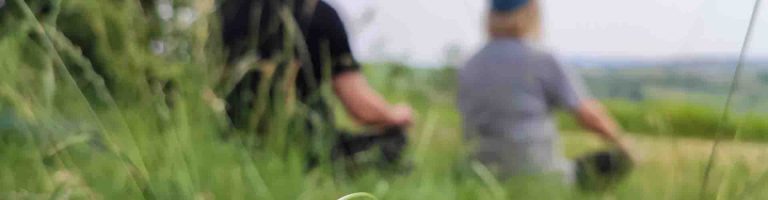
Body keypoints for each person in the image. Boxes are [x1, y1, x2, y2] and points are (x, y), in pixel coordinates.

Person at [458, 0, 634, 187]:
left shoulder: (469, 64)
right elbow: (587, 115)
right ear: (531, 13)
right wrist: (623, 143)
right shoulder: (542, 59)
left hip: (481, 173)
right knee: (617, 161)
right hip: (540, 176)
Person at [219, 0, 412, 166]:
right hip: (307, 146)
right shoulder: (320, 14)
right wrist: (396, 115)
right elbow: (360, 107)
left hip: (228, 138)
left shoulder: (224, 9)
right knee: (395, 139)